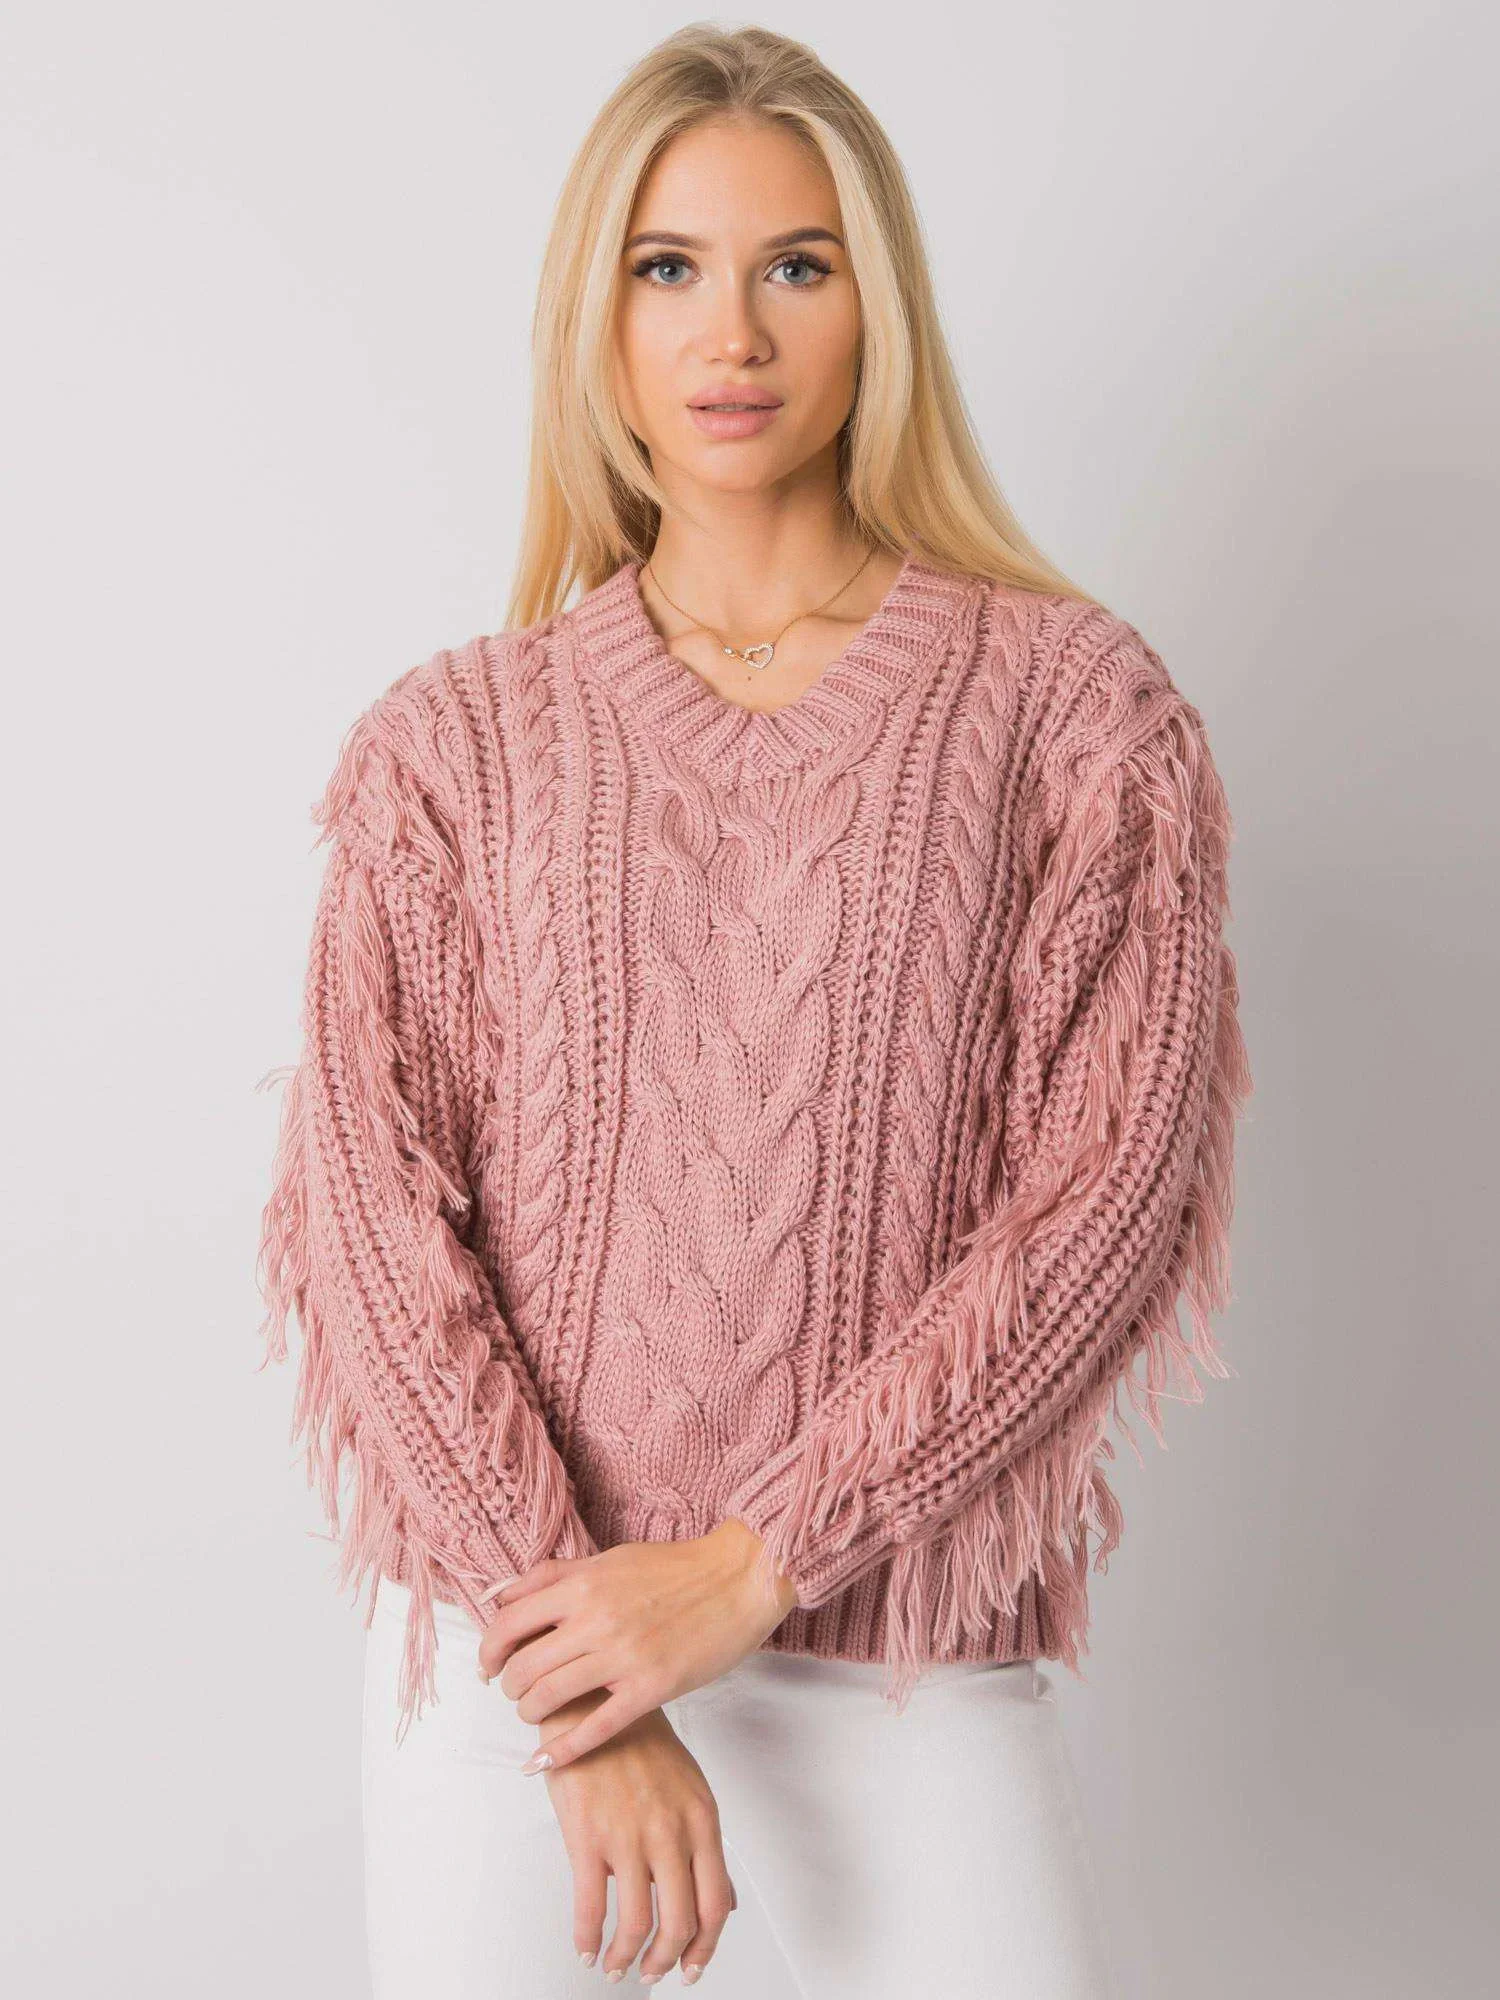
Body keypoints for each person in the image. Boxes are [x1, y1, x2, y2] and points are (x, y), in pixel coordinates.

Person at [256, 22, 1252, 1997]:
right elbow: (375, 1225)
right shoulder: (456, 745)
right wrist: (584, 1664)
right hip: (520, 1671)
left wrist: (748, 1567)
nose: (733, 332)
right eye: (669, 267)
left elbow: (1105, 1210)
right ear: (597, 316)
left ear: (878, 307)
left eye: (799, 264)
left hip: (897, 1656)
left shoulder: (1076, 716)